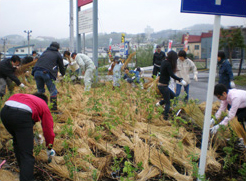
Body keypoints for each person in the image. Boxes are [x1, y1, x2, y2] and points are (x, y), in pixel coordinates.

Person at [0, 93, 56, 181]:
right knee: (27, 154)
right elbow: (48, 130)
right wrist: (49, 148)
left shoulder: (26, 97)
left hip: (5, 113)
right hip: (21, 116)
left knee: (18, 142)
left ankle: (23, 170)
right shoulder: (43, 104)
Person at [32, 42, 65, 111]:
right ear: (58, 48)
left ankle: (39, 108)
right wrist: (63, 74)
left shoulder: (45, 52)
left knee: (40, 91)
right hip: (46, 72)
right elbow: (61, 67)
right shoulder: (57, 54)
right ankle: (53, 109)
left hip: (36, 72)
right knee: (53, 91)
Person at [156, 50, 187, 120]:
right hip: (163, 86)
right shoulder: (168, 64)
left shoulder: (164, 62)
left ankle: (160, 103)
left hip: (162, 85)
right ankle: (165, 118)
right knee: (168, 103)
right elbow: (171, 75)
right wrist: (180, 79)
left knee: (173, 96)